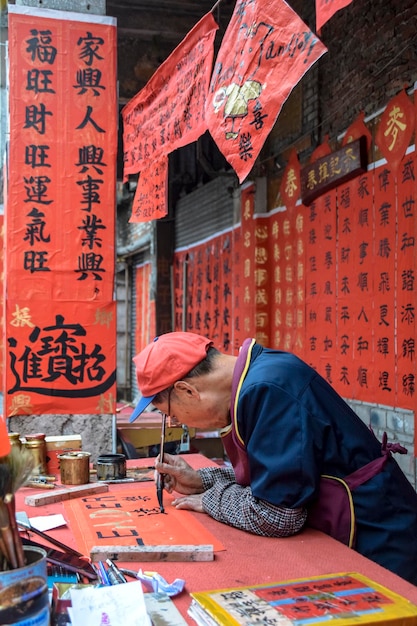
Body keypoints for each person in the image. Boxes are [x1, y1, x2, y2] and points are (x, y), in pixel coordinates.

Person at [130, 332, 417, 586]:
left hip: (378, 537)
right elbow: (285, 472)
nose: (176, 420)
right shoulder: (259, 373)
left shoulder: (266, 390)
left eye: (170, 413)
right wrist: (202, 479)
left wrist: (210, 500)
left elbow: (275, 515)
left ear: (187, 390)